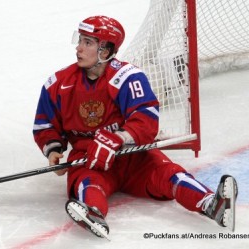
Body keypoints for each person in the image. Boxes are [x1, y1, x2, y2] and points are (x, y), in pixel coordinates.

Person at [33, 15, 237, 239]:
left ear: (105, 50)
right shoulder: (59, 83)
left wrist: (119, 138)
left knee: (168, 174)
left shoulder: (128, 77)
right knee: (86, 181)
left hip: (132, 156)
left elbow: (146, 118)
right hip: (90, 158)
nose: (78, 48)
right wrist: (54, 151)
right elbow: (46, 124)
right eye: (80, 40)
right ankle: (93, 213)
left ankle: (212, 204)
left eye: (87, 42)